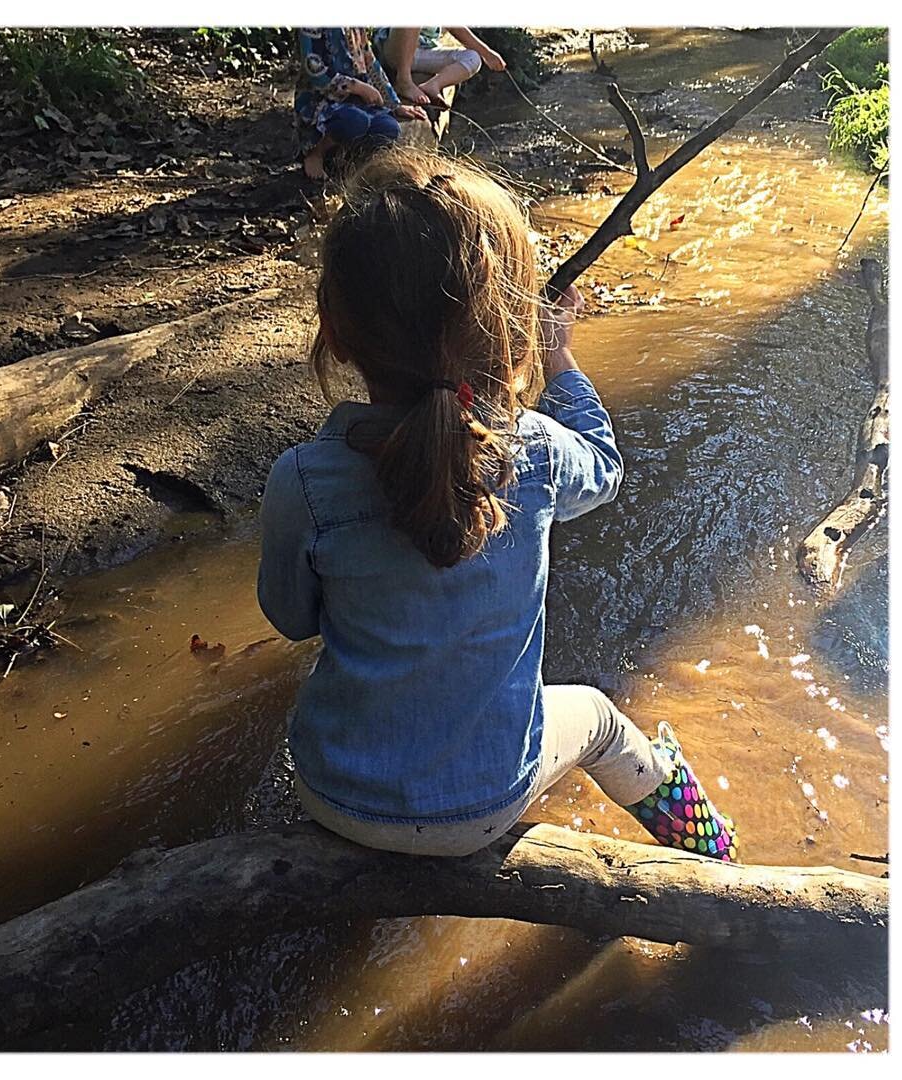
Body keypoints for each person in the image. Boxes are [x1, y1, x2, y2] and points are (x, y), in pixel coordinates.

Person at [257, 149, 739, 861]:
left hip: (333, 795)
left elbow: (291, 618)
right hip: (488, 803)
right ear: (509, 327)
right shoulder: (535, 451)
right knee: (601, 720)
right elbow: (605, 468)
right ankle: (713, 850)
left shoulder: (302, 479)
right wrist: (561, 359)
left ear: (333, 328)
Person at [294, 28, 427, 181]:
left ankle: (347, 159)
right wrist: (355, 86)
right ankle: (316, 152)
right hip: (321, 103)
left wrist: (394, 104)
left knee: (389, 128)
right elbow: (314, 69)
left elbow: (370, 63)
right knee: (353, 121)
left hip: (357, 104)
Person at [372, 27, 507, 108]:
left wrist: (487, 54)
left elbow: (455, 28)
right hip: (394, 52)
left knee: (473, 58)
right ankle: (404, 81)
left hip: (422, 52)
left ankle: (433, 85)